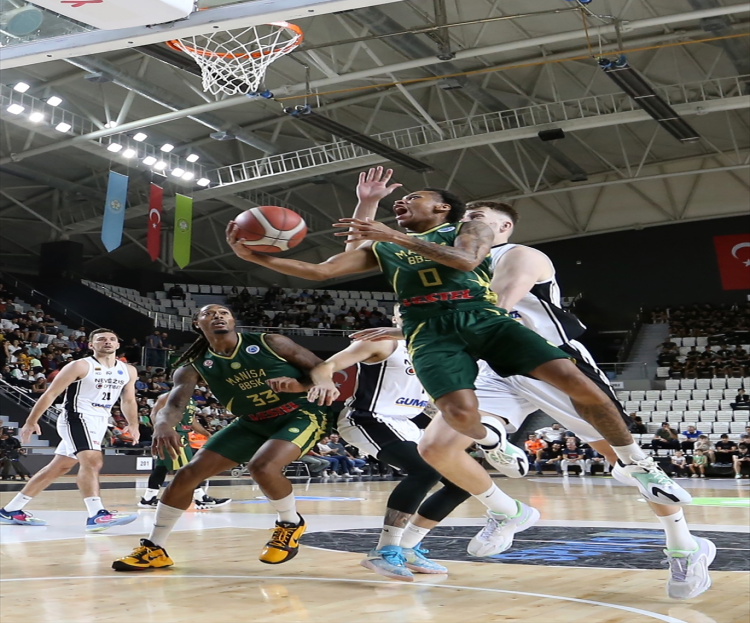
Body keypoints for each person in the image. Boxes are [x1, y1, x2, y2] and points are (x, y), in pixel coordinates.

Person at [225, 167, 651, 522]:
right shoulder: (385, 247)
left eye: (414, 196)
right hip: (432, 331)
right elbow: (322, 270)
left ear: (442, 208)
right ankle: (493, 450)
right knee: (458, 418)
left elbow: (465, 260)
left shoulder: (466, 229)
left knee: (576, 386)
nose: (404, 202)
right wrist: (254, 258)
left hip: (481, 319)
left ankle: (638, 466)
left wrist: (391, 235)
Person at [349, 194, 706, 598]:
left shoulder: (519, 254)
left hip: (546, 361)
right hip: (495, 370)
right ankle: (507, 510)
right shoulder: (442, 259)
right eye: (466, 219)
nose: (469, 223)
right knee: (436, 448)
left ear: (502, 229)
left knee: (625, 463)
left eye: (478, 218)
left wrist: (405, 330)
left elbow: (495, 306)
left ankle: (684, 546)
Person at [112, 305, 332, 570]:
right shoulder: (193, 366)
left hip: (299, 413)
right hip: (250, 422)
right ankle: (154, 549)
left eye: (224, 312)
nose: (218, 316)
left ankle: (290, 523)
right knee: (187, 475)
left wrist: (321, 382)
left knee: (262, 467)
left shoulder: (269, 341)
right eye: (208, 313)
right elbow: (174, 405)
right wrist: (161, 425)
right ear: (197, 323)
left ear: (233, 319)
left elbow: (319, 366)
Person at [304, 313, 481, 580]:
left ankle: (408, 547)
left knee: (464, 481)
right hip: (368, 418)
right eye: (407, 310)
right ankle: (385, 550)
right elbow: (324, 366)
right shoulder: (384, 343)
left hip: (408, 422)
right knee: (424, 471)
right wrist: (326, 380)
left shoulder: (434, 349)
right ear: (395, 316)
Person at [0, 329, 139, 531]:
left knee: (59, 467)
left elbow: (128, 400)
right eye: (101, 339)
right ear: (91, 345)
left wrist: (133, 424)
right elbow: (51, 393)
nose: (107, 342)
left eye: (112, 339)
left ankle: (11, 510)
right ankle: (96, 514)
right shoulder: (80, 366)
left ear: (118, 345)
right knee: (92, 460)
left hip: (100, 419)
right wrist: (31, 420)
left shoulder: (128, 370)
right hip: (77, 416)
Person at [137, 393, 231, 510]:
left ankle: (148, 499)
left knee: (162, 468)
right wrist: (162, 430)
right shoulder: (167, 396)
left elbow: (191, 421)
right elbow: (154, 414)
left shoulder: (191, 400)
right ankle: (201, 499)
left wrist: (206, 433)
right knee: (189, 469)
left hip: (183, 434)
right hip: (172, 435)